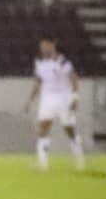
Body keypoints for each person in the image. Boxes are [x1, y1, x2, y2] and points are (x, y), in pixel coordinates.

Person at [24, 34, 84, 170]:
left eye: (46, 45)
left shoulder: (62, 61)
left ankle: (79, 158)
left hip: (64, 98)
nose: (44, 48)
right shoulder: (39, 61)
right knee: (42, 128)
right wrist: (30, 99)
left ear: (53, 45)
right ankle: (43, 163)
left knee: (69, 128)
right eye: (42, 46)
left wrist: (75, 97)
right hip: (47, 98)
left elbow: (74, 78)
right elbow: (38, 81)